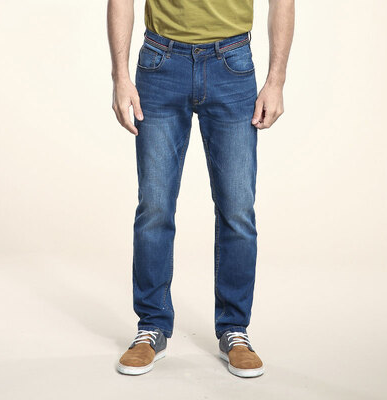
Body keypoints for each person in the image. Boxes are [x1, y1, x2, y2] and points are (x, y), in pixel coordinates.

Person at [107, 0, 294, 378]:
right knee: (154, 206)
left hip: (231, 63)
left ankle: (235, 329)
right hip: (161, 61)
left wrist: (276, 81)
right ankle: (151, 326)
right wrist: (120, 77)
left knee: (238, 208)